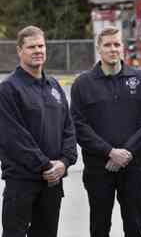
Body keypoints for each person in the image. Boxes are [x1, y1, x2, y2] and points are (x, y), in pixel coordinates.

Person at [70, 26, 141, 237]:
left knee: (135, 227)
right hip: (99, 170)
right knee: (100, 228)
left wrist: (125, 152)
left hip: (133, 168)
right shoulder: (83, 84)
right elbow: (79, 126)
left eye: (117, 44)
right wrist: (109, 152)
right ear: (98, 49)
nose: (113, 49)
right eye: (107, 45)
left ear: (123, 48)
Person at [0, 25, 77, 237]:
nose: (38, 50)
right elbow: (12, 137)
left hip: (52, 183)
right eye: (31, 47)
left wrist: (65, 161)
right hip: (21, 182)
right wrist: (45, 165)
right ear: (19, 51)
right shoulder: (9, 89)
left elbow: (68, 128)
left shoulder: (53, 86)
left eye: (41, 45)